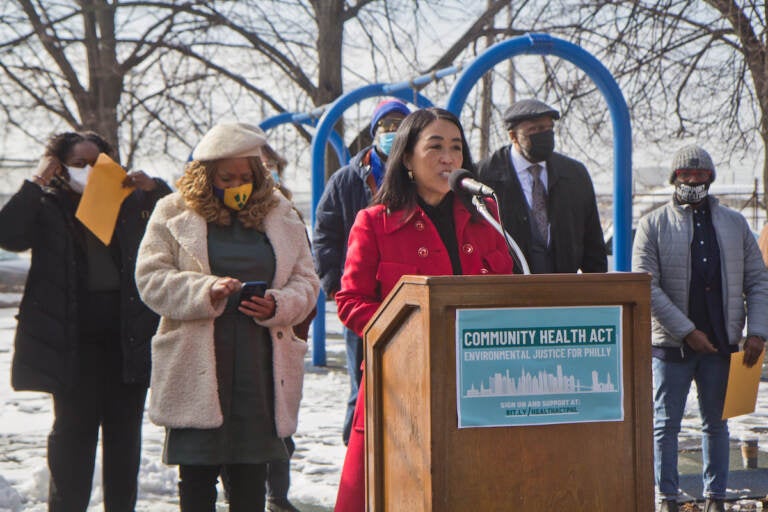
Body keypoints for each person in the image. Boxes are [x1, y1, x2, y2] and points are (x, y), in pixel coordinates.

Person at [333, 107, 514, 512]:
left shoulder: (485, 216)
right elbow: (349, 302)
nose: (448, 158)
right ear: (408, 158)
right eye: (434, 147)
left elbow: (506, 292)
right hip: (400, 386)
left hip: (478, 385)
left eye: (456, 147)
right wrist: (410, 336)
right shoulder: (374, 222)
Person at [134, 122, 319, 512]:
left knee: (251, 481)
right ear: (207, 175)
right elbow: (150, 278)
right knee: (197, 482)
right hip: (197, 362)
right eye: (227, 177)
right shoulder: (171, 212)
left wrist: (278, 305)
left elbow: (307, 279)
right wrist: (204, 291)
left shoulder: (281, 213)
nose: (239, 184)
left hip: (258, 366)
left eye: (246, 176)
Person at [0, 130, 171, 511]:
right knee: (72, 439)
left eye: (97, 163)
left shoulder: (133, 201)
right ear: (61, 167)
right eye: (80, 164)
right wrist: (38, 180)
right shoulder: (47, 204)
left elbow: (181, 227)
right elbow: (8, 234)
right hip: (71, 344)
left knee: (124, 441)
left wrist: (157, 189)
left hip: (127, 339)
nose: (90, 171)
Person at [632, 145, 768, 512]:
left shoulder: (735, 224)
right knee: (666, 426)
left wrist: (757, 331)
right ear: (674, 179)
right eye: (685, 174)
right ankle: (668, 498)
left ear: (711, 178)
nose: (693, 180)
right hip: (672, 346)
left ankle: (716, 498)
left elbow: (758, 280)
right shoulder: (652, 224)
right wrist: (687, 330)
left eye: (700, 174)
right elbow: (646, 284)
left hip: (720, 345)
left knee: (716, 425)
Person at [312, 98, 411, 445]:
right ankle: (357, 447)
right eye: (386, 125)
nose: (392, 131)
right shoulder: (347, 180)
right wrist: (335, 284)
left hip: (408, 297)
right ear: (374, 133)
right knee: (362, 378)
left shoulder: (417, 176)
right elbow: (325, 233)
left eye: (400, 124)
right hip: (363, 299)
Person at [476, 98, 607, 274]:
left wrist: (597, 294)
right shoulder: (484, 176)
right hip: (507, 291)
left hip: (564, 291)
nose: (543, 135)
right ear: (513, 136)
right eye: (534, 130)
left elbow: (593, 245)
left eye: (548, 128)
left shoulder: (574, 174)